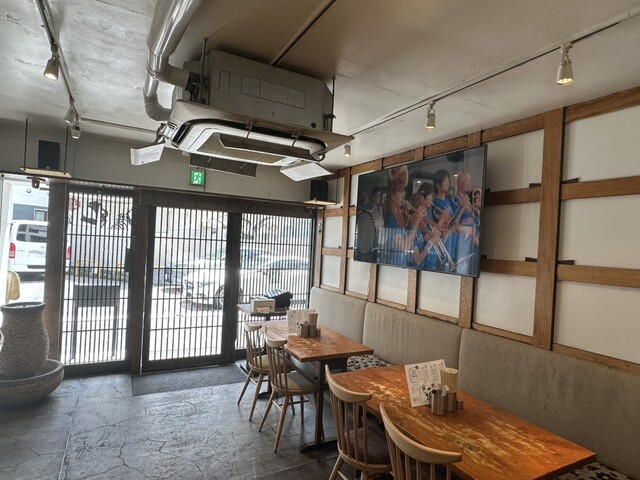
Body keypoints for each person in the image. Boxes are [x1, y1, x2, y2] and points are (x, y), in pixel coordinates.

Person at [431, 169, 456, 271]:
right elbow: (449, 223)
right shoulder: (437, 203)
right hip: (443, 246)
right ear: (438, 185)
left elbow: (453, 222)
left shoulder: (447, 201)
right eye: (445, 180)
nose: (448, 183)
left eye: (448, 180)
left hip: (451, 245)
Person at [453, 172, 474, 274]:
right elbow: (453, 223)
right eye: (467, 181)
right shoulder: (455, 200)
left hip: (468, 244)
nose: (470, 183)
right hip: (459, 245)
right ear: (460, 184)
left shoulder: (467, 201)